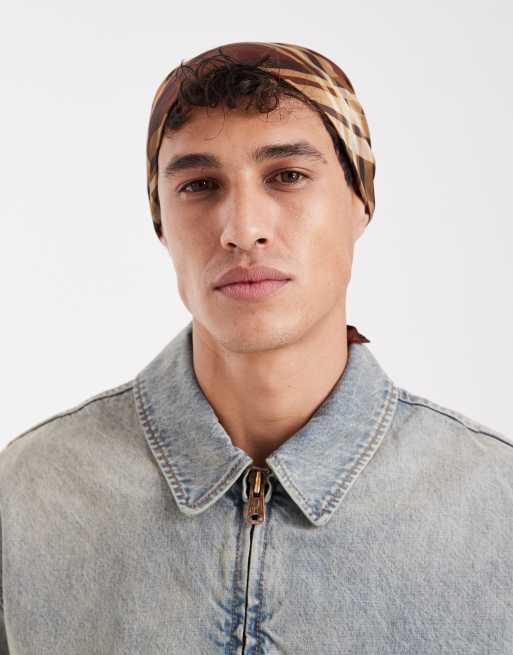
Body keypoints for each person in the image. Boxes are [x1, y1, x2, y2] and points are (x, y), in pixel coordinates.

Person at [0, 41, 511, 654]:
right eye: (199, 184)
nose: (243, 230)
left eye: (288, 176)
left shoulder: (496, 506)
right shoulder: (27, 494)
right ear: (160, 223)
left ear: (361, 201)